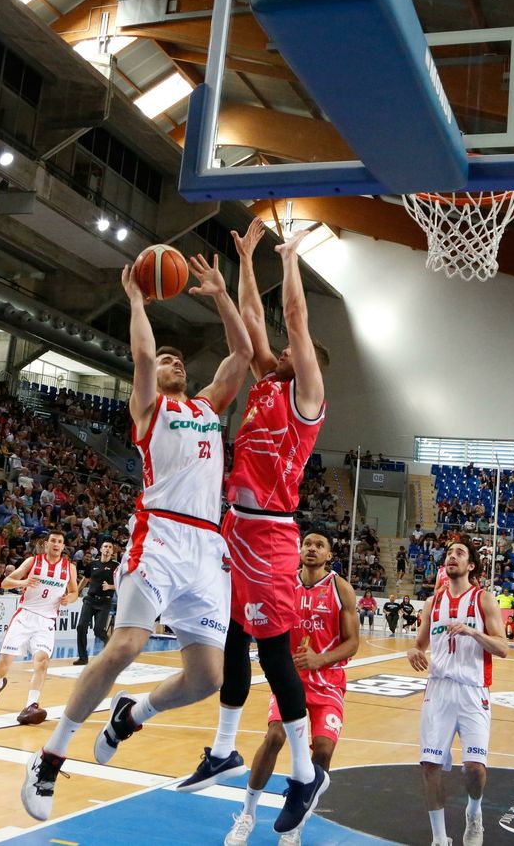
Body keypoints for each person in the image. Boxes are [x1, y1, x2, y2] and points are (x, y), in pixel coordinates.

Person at [22, 251, 252, 822]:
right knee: (124, 646)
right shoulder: (150, 410)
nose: (171, 361)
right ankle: (50, 757)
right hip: (160, 536)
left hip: (208, 548)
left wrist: (222, 293)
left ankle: (132, 713)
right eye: (166, 359)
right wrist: (134, 300)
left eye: (179, 359)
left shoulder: (206, 406)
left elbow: (243, 354)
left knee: (207, 678)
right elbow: (144, 354)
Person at [180, 220, 331, 837]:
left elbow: (292, 318)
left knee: (274, 655)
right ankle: (222, 747)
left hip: (270, 533)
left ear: (306, 361)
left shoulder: (308, 394)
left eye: (292, 348)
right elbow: (253, 323)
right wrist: (240, 267)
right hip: (233, 527)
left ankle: (303, 774)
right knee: (235, 640)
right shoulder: (270, 378)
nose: (282, 348)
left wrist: (290, 258)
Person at [226, 532, 360, 846]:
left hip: (328, 684)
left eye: (320, 545)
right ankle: (247, 813)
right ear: (300, 550)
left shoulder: (341, 589)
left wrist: (320, 658)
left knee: (324, 750)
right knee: (274, 737)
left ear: (329, 554)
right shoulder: (283, 583)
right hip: (290, 680)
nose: (312, 548)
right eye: (308, 544)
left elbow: (353, 642)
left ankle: (294, 824)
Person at [408, 539, 507, 846]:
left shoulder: (484, 600)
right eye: (449, 553)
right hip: (438, 690)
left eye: (459, 553)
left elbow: (503, 648)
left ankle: (474, 813)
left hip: (473, 691)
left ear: (471, 565)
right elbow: (419, 643)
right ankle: (440, 838)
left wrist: (472, 631)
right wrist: (413, 651)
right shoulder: (432, 603)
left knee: (475, 769)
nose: (452, 556)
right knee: (430, 765)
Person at [0, 532, 76, 723]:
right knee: (3, 664)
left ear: (63, 546)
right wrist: (24, 582)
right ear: (46, 544)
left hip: (47, 621)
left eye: (60, 542)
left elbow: (75, 591)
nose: (56, 544)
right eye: (53, 541)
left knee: (42, 661)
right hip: (25, 616)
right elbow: (6, 582)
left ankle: (31, 705)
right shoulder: (32, 562)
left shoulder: (70, 568)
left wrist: (70, 598)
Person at [73, 540, 119, 665]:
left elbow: (123, 584)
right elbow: (85, 579)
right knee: (81, 627)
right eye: (105, 546)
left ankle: (111, 650)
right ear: (101, 549)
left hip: (105, 602)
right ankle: (83, 658)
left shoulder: (116, 566)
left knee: (98, 630)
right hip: (90, 600)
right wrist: (76, 591)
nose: (107, 549)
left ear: (112, 551)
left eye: (110, 547)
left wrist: (110, 587)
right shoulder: (93, 564)